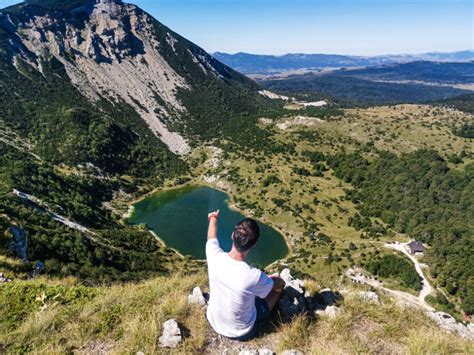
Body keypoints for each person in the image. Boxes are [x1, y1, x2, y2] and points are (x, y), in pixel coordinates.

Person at [205, 209, 285, 341]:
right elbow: (275, 286)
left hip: (213, 320)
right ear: (253, 245)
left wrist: (213, 218)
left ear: (232, 235)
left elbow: (211, 237)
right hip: (241, 332)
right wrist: (277, 281)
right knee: (277, 289)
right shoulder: (253, 276)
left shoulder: (214, 255)